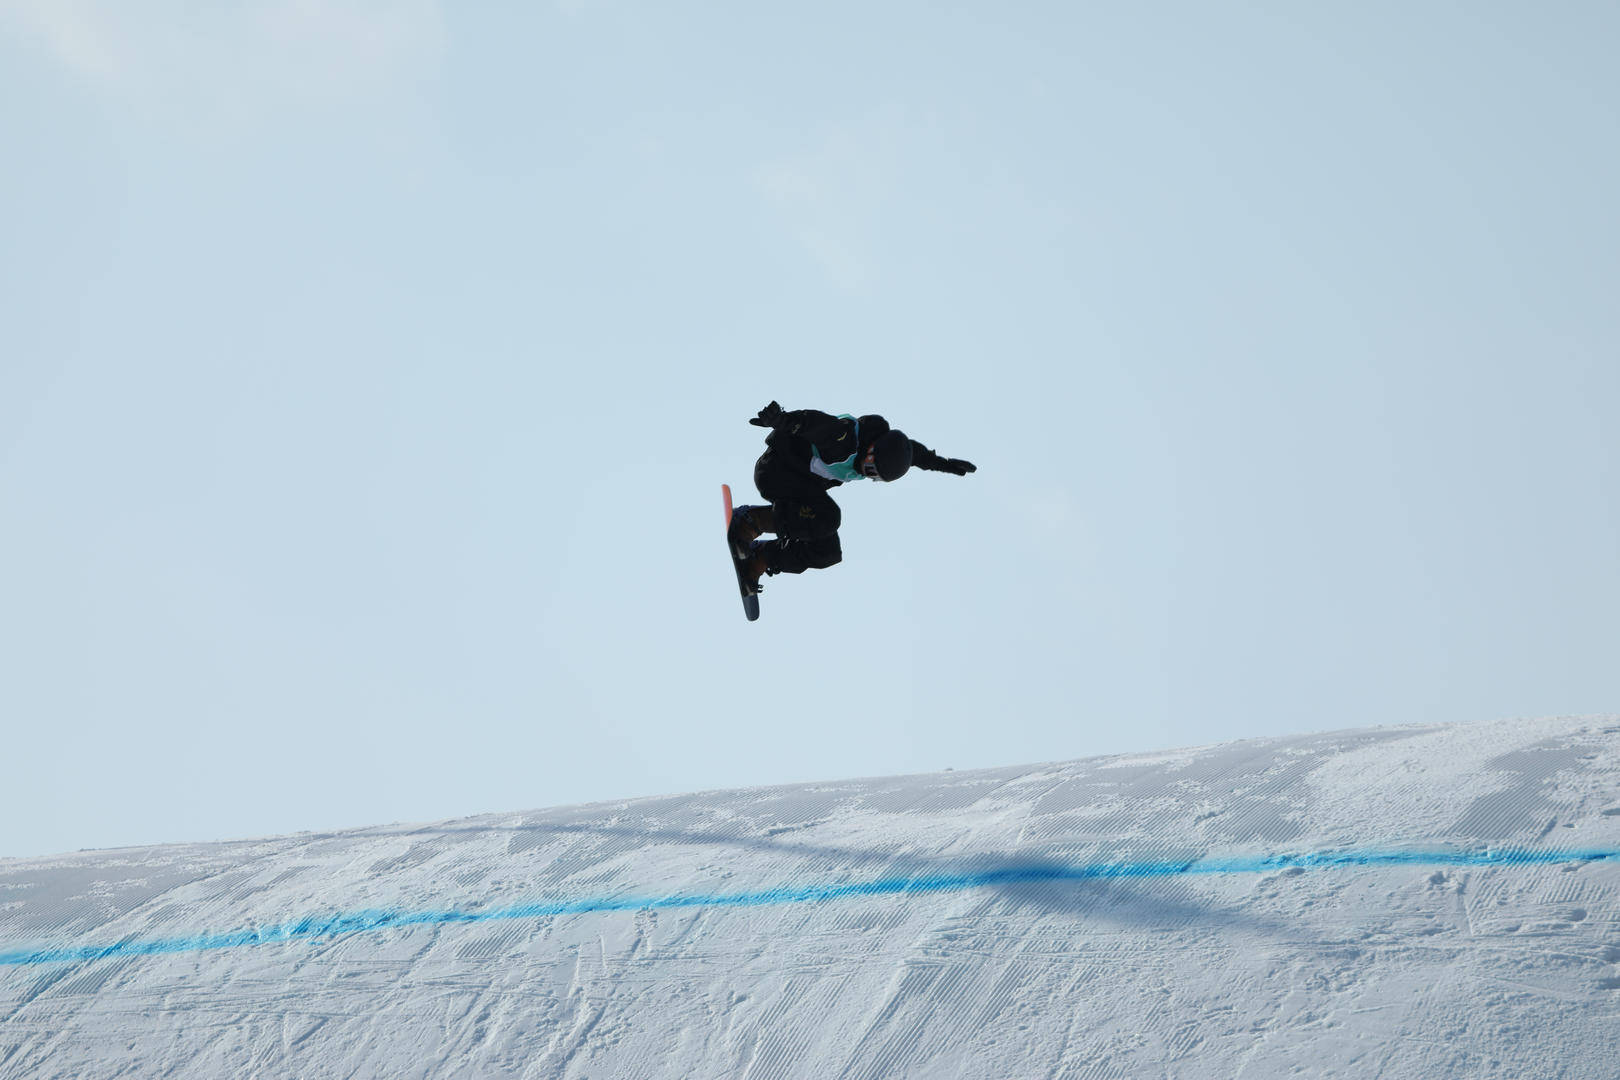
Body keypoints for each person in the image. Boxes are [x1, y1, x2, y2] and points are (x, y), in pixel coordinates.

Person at [728, 401, 977, 591]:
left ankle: (761, 558)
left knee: (828, 552)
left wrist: (946, 464)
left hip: (800, 490)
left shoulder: (880, 450)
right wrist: (781, 419)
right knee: (829, 517)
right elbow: (812, 423)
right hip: (776, 472)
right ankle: (751, 520)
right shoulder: (844, 439)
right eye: (870, 467)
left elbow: (917, 455)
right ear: (871, 449)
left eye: (874, 476)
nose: (866, 474)